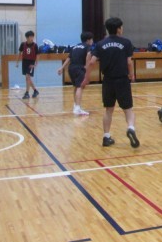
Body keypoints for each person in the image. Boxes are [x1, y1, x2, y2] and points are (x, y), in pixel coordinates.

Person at [83, 18, 139, 148]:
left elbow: (91, 62)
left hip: (108, 80)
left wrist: (86, 78)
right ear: (119, 29)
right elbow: (129, 62)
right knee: (128, 109)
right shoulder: (126, 42)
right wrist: (131, 75)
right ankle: (130, 128)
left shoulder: (100, 44)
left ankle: (106, 137)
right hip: (122, 79)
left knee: (108, 110)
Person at [58, 31, 94, 115]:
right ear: (88, 40)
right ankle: (77, 108)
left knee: (76, 87)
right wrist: (87, 66)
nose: (92, 41)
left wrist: (62, 68)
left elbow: (69, 58)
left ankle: (76, 106)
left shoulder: (75, 46)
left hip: (71, 68)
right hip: (79, 68)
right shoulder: (88, 46)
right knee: (80, 87)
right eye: (92, 39)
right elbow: (88, 55)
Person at [16, 30, 39, 100]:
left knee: (27, 77)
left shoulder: (35, 45)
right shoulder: (23, 44)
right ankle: (35, 90)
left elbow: (38, 55)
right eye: (30, 37)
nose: (32, 38)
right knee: (27, 78)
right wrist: (17, 62)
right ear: (27, 38)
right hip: (25, 62)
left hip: (31, 62)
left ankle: (27, 93)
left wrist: (35, 64)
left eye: (32, 37)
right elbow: (20, 53)